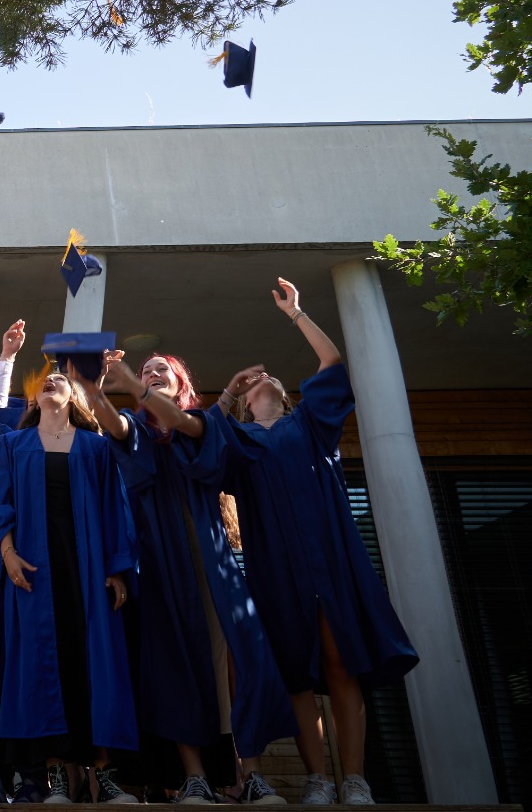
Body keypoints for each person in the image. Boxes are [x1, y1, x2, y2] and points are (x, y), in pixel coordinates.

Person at [213, 280, 418, 807]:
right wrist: (230, 392)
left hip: (328, 558)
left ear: (285, 395)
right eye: (252, 386)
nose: (262, 382)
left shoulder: (309, 423)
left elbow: (331, 362)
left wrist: (297, 314)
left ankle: (355, 778)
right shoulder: (240, 442)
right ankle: (316, 780)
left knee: (339, 662)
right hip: (277, 568)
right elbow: (202, 438)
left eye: (268, 381)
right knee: (298, 673)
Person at [80, 349, 296, 806]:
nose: (152, 374)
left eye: (163, 371)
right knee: (175, 662)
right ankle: (194, 776)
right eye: (145, 371)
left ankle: (251, 772)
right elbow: (112, 423)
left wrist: (133, 384)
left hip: (212, 561)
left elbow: (184, 423)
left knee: (239, 660)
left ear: (182, 384)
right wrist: (95, 383)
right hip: (160, 562)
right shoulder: (135, 427)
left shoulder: (201, 422)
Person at [0, 319, 139, 805]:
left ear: (74, 398)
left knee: (91, 659)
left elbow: (113, 509)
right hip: (33, 569)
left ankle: (101, 773)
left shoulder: (97, 448)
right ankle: (56, 774)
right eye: (45, 382)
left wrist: (117, 567)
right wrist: (8, 552)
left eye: (60, 378)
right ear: (34, 400)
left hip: (86, 567)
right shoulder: (16, 446)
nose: (51, 381)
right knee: (45, 662)